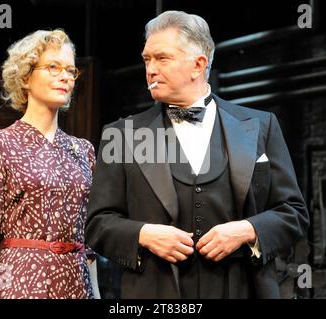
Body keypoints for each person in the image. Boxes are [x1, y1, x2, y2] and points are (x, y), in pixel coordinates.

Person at [86, 11, 309, 299]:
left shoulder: (260, 126)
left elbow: (294, 213)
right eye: (147, 60)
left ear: (198, 64)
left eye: (162, 58)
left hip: (243, 288)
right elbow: (98, 223)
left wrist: (246, 230)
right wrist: (144, 234)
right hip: (158, 292)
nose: (150, 69)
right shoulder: (122, 133)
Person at [0, 29, 100, 299]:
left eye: (70, 70)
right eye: (53, 67)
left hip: (77, 286)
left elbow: (89, 243)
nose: (65, 76)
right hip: (22, 284)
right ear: (26, 76)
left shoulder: (83, 150)